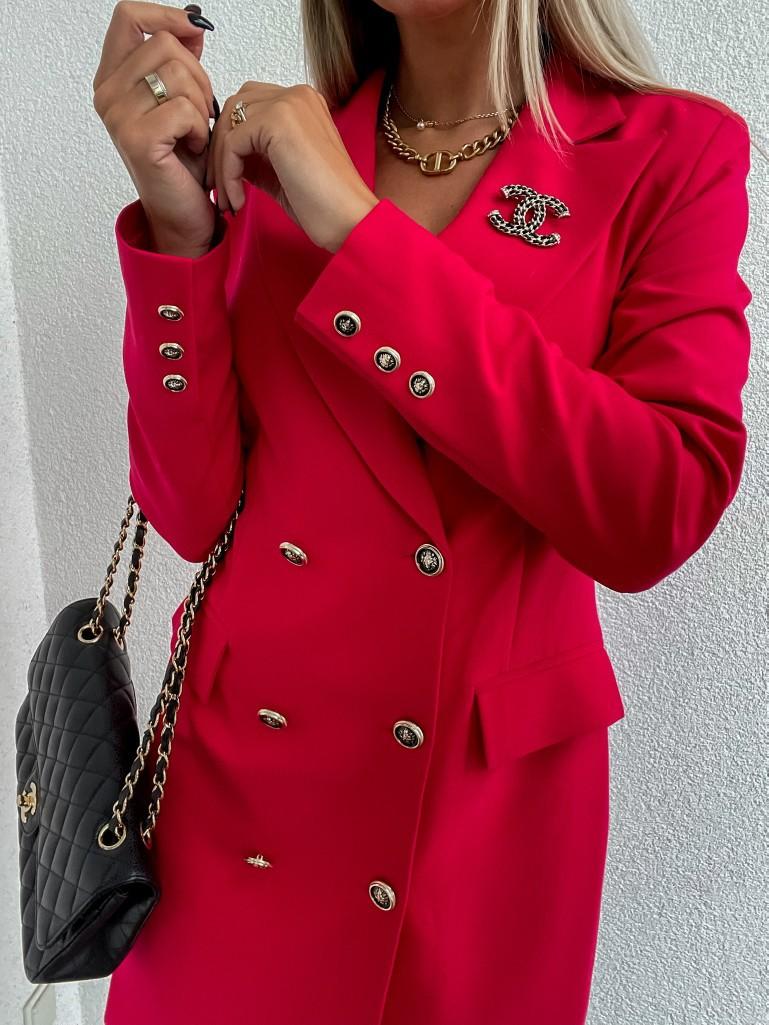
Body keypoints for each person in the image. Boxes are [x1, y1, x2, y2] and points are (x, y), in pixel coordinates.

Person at [93, 0, 753, 1022]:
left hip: (472, 821)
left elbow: (653, 508)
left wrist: (361, 234)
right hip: (240, 798)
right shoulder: (264, 147)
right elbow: (191, 514)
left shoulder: (668, 151)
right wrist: (179, 229)